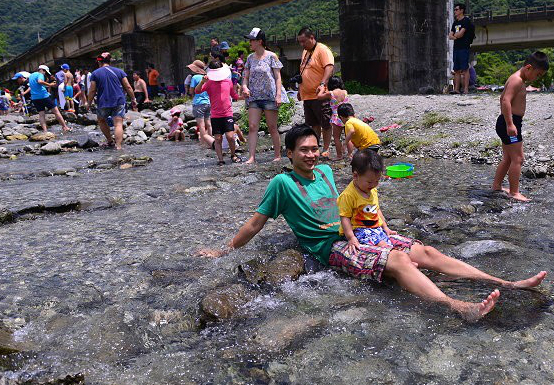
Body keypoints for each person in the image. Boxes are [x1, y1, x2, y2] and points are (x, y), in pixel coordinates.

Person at [198, 124, 548, 321]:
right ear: (289, 153)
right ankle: (457, 307)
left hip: (357, 232)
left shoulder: (322, 171)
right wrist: (223, 250)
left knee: (423, 250)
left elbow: (348, 207)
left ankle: (508, 282)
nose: (310, 154)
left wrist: (381, 227)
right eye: (302, 150)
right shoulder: (281, 183)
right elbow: (256, 224)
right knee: (397, 260)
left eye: (314, 147)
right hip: (328, 246)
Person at [491, 51, 549, 202]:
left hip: (507, 121)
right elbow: (506, 101)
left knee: (508, 158)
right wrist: (510, 123)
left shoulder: (517, 79)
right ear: (528, 67)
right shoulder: (517, 80)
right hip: (510, 123)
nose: (537, 78)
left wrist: (507, 121)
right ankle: (514, 192)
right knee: (518, 158)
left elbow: (502, 97)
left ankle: (497, 186)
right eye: (538, 74)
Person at [242, 27, 286, 164]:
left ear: (259, 41)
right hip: (254, 97)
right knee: (252, 127)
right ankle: (251, 157)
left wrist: (278, 95)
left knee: (272, 127)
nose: (250, 43)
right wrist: (244, 87)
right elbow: (245, 77)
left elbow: (278, 77)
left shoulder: (272, 56)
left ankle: (277, 155)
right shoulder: (250, 58)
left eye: (252, 40)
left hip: (270, 96)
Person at [195, 61, 242, 166]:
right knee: (218, 138)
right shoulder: (209, 83)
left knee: (230, 136)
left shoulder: (228, 81)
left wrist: (242, 97)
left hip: (227, 113)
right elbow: (197, 91)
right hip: (215, 115)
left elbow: (234, 95)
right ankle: (220, 160)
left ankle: (233, 155)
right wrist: (202, 82)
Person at [87, 52, 137, 150]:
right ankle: (118, 146)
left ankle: (110, 141)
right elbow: (128, 86)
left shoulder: (95, 73)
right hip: (119, 100)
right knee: (118, 123)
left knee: (101, 120)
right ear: (110, 61)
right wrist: (133, 99)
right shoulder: (119, 71)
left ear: (99, 62)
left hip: (103, 101)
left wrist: (88, 103)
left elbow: (92, 90)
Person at [297, 27, 334, 158]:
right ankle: (316, 146)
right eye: (300, 42)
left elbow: (329, 67)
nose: (302, 44)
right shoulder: (305, 52)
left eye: (304, 41)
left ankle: (326, 148)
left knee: (325, 122)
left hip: (320, 94)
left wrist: (323, 83)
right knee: (314, 123)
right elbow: (304, 72)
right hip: (307, 95)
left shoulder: (322, 49)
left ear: (312, 38)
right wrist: (299, 89)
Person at [317, 75, 351, 160]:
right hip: (347, 116)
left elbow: (319, 97)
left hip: (337, 117)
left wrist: (321, 89)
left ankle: (339, 155)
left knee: (336, 138)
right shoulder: (345, 91)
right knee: (348, 137)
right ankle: (350, 155)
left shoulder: (330, 93)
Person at [28, 65, 70, 133]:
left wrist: (47, 84)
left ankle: (45, 131)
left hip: (35, 97)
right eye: (45, 72)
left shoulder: (31, 76)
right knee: (56, 111)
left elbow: (36, 85)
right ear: (42, 70)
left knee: (41, 114)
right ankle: (65, 127)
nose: (45, 74)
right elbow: (40, 81)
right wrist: (50, 85)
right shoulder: (40, 74)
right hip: (43, 96)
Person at [188, 60, 215, 149]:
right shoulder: (207, 77)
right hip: (208, 102)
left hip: (198, 103)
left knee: (201, 125)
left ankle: (204, 142)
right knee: (209, 123)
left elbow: (192, 91)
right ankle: (212, 141)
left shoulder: (195, 77)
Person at [449, 3, 473, 95]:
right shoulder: (455, 22)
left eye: (456, 9)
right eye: (454, 9)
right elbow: (450, 36)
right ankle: (456, 89)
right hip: (456, 47)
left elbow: (461, 34)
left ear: (461, 10)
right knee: (456, 70)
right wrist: (456, 36)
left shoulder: (466, 21)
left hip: (464, 47)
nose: (455, 11)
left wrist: (455, 36)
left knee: (465, 69)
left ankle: (466, 89)